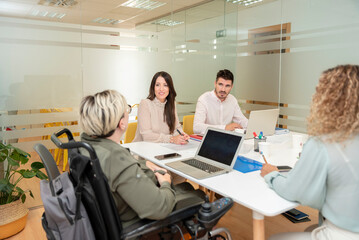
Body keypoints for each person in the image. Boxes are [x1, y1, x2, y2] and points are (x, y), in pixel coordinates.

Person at [79, 90, 204, 228]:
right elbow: (159, 208)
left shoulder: (88, 146)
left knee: (186, 186)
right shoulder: (115, 159)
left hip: (119, 208)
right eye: (127, 109)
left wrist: (144, 164)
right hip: (137, 218)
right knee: (200, 197)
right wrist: (165, 183)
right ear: (122, 123)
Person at [261, 65, 359, 240]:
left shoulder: (324, 142)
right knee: (310, 230)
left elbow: (296, 192)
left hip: (345, 235)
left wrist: (272, 175)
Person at [133, 71, 189, 144]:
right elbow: (147, 136)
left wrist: (182, 136)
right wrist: (172, 139)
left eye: (165, 85)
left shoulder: (172, 103)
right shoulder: (145, 104)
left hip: (164, 149)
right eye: (157, 85)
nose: (161, 89)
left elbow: (176, 128)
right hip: (144, 150)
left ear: (170, 88)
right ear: (153, 87)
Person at [193, 69, 248, 135]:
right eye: (220, 84)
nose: (223, 89)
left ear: (231, 87)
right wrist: (224, 128)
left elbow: (241, 120)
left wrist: (255, 127)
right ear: (215, 84)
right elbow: (197, 128)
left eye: (227, 86)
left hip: (226, 139)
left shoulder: (232, 100)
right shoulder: (204, 99)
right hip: (208, 138)